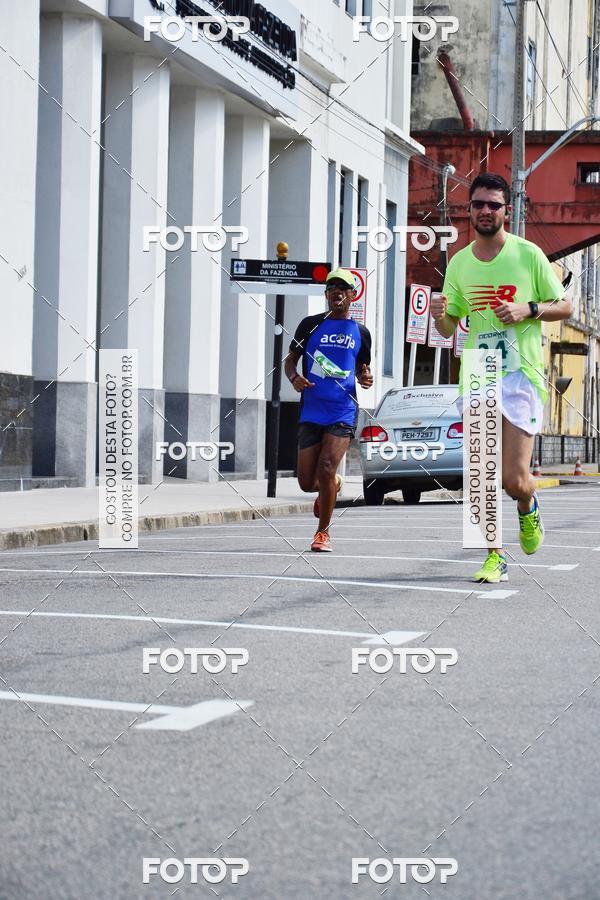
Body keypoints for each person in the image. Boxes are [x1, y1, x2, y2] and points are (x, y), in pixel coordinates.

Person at [430, 172, 572, 583]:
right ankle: (495, 556)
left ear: (506, 211)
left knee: (513, 480)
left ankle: (528, 505)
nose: (486, 211)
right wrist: (440, 315)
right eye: (479, 204)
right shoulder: (459, 262)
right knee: (479, 473)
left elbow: (563, 306)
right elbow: (449, 328)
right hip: (478, 370)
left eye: (494, 204)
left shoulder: (528, 255)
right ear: (469, 210)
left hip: (521, 372)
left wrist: (528, 309)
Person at [284, 268, 373, 552]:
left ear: (351, 295)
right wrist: (295, 378)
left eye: (343, 288)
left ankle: (322, 532)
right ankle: (332, 484)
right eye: (332, 288)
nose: (337, 292)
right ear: (326, 295)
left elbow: (362, 370)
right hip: (312, 409)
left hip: (343, 410)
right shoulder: (309, 325)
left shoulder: (361, 332)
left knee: (325, 466)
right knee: (306, 482)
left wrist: (365, 378)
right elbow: (290, 361)